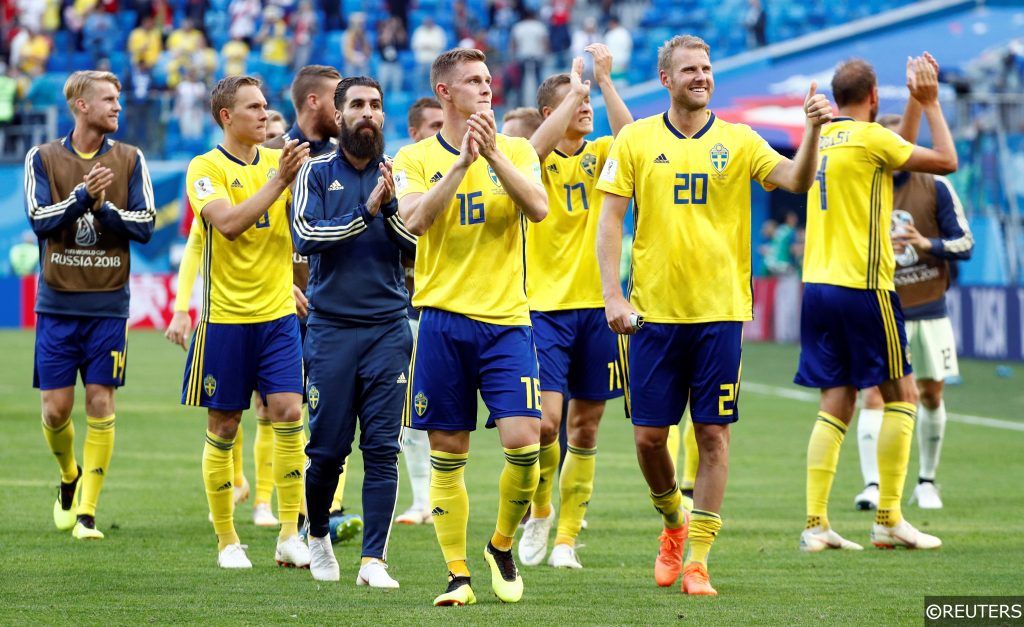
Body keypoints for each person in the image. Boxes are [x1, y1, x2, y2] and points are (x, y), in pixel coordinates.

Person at [596, 35, 830, 595]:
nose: (701, 76)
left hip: (721, 313)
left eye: (706, 68)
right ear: (665, 79)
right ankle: (673, 524)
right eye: (689, 69)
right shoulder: (634, 140)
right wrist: (613, 296)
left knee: (713, 437)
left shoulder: (740, 140)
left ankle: (698, 559)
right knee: (650, 440)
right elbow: (609, 223)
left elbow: (796, 181)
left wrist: (815, 129)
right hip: (652, 315)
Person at [393, 47, 548, 606]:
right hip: (440, 322)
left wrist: (491, 157)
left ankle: (501, 545)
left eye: (488, 79)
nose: (486, 88)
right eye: (473, 81)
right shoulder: (412, 157)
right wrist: (460, 162)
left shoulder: (520, 150)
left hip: (507, 322)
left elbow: (537, 207)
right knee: (448, 449)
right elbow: (412, 220)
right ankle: (457, 574)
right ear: (444, 91)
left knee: (524, 443)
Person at [794, 54, 957, 552]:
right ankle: (888, 517)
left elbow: (894, 148)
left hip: (817, 288)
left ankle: (816, 524)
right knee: (902, 396)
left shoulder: (823, 137)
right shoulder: (872, 138)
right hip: (864, 288)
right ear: (872, 99)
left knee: (836, 402)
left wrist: (909, 100)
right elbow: (946, 160)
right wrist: (928, 103)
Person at [182, 74, 310, 569]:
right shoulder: (205, 168)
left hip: (277, 315)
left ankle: (289, 532)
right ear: (226, 117)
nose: (264, 114)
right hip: (226, 319)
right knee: (225, 423)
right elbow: (230, 225)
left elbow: (297, 233)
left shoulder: (282, 163)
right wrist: (280, 182)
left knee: (289, 413)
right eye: (253, 107)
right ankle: (227, 540)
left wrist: (295, 281)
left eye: (266, 106)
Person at [293, 76, 417, 586]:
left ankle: (373, 561)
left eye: (376, 105)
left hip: (389, 327)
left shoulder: (400, 173)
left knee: (383, 447)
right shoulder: (317, 172)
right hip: (331, 329)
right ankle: (318, 535)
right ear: (339, 116)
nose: (369, 113)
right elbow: (306, 235)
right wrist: (367, 211)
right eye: (358, 105)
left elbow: (418, 246)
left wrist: (389, 209)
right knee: (326, 450)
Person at [26, 70, 156, 540]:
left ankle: (87, 513)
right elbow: (39, 219)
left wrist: (102, 209)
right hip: (58, 305)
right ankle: (68, 476)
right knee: (55, 412)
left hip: (107, 306)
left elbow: (144, 224)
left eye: (118, 99)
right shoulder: (43, 158)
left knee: (100, 402)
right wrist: (82, 196)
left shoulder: (130, 158)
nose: (117, 106)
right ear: (81, 105)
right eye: (108, 99)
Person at [516, 45, 632, 571]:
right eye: (575, 101)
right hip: (542, 309)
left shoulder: (604, 150)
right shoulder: (528, 158)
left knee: (585, 428)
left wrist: (601, 83)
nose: (584, 108)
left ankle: (566, 538)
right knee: (545, 424)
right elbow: (530, 154)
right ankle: (539, 510)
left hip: (598, 309)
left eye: (586, 102)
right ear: (549, 112)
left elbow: (636, 141)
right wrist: (576, 92)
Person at [853, 113, 973, 512]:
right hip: (879, 305)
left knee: (930, 393)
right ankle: (872, 485)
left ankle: (926, 482)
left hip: (927, 308)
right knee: (871, 394)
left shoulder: (935, 185)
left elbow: (965, 244)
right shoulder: (864, 184)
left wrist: (926, 243)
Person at [264, 65, 364, 543]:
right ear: (313, 103)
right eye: (337, 98)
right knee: (287, 411)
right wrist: (283, 282)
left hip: (335, 304)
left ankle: (324, 512)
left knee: (334, 410)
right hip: (287, 302)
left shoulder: (347, 157)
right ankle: (289, 517)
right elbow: (259, 235)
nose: (347, 109)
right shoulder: (274, 157)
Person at [394, 97, 443, 527]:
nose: (441, 133)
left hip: (466, 310)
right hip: (412, 312)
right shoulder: (402, 178)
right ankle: (422, 499)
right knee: (413, 409)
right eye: (433, 126)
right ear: (414, 132)